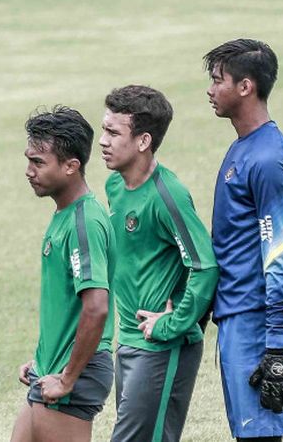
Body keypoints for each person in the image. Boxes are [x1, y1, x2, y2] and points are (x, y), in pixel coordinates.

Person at [98, 85, 219, 441]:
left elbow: (204, 265)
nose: (102, 141)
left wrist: (174, 323)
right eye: (104, 130)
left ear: (143, 141)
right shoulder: (115, 186)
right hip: (130, 341)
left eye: (113, 132)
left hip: (162, 348)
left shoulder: (168, 196)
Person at [204, 39, 283, 441]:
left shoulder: (268, 159)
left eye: (218, 81)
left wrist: (279, 344)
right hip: (241, 317)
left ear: (245, 87)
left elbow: (280, 252)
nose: (211, 91)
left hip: (260, 324)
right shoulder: (244, 148)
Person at [10, 105, 115, 442]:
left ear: (71, 166)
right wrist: (41, 359)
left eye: (38, 162)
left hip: (74, 374)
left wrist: (68, 377)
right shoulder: (65, 214)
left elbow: (96, 306)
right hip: (52, 367)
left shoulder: (84, 223)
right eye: (29, 160)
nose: (28, 171)